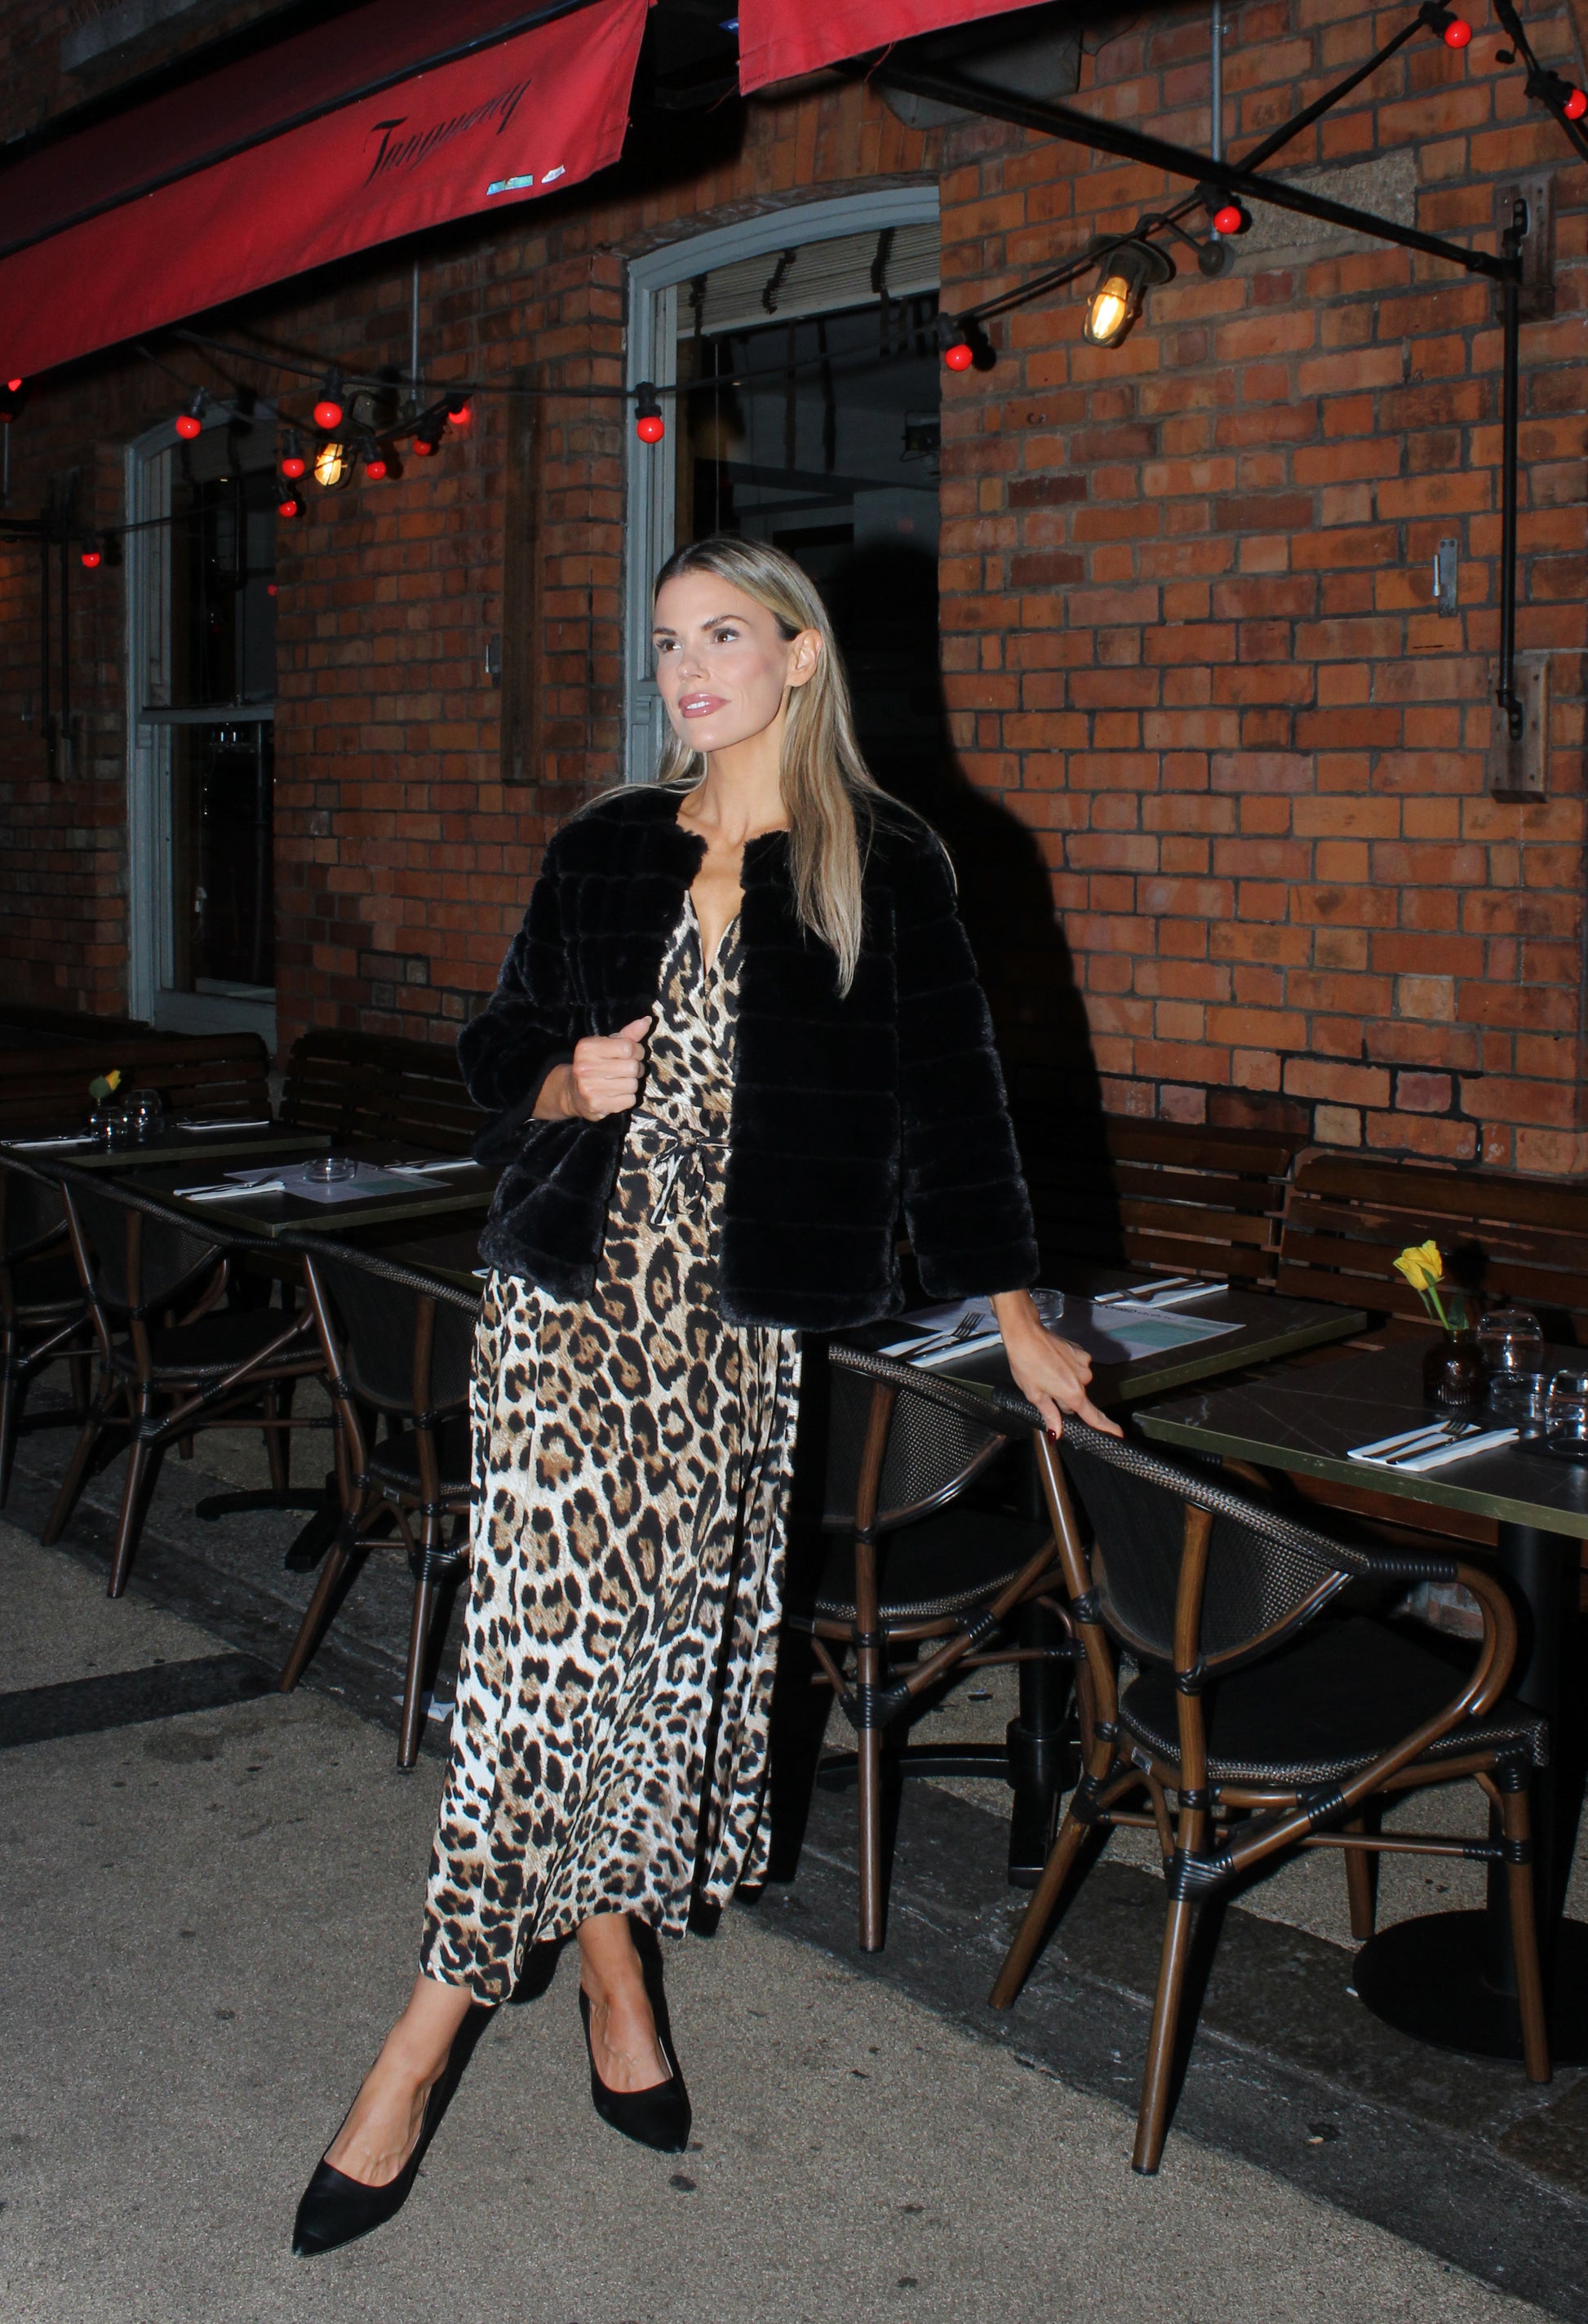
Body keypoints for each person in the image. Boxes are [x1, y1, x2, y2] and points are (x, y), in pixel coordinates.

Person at [291, 534, 1117, 2256]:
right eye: (668, 641)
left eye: (722, 636)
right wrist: (557, 1080)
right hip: (561, 1305)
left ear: (801, 656)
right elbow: (493, 1042)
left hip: (733, 1339)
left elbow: (957, 1106)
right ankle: (418, 2044)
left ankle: (612, 1973)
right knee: (534, 1671)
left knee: (644, 1662)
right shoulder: (604, 844)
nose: (685, 671)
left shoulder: (886, 863)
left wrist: (1018, 1316)